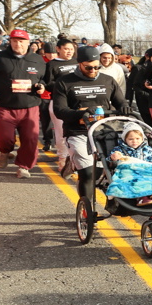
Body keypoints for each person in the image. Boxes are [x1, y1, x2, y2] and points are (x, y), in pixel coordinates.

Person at [52, 46, 128, 200]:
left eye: (97, 67)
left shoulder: (108, 80)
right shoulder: (64, 82)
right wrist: (83, 112)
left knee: (101, 171)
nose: (93, 70)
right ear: (79, 63)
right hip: (77, 131)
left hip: (103, 131)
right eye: (88, 67)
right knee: (88, 173)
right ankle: (85, 209)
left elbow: (120, 101)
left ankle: (74, 162)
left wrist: (124, 107)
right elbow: (60, 111)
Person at [0, 29, 47, 178]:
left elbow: (44, 79)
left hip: (30, 106)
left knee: (30, 139)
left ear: (28, 43)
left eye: (21, 41)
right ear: (10, 42)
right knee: (4, 138)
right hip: (5, 106)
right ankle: (4, 152)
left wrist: (42, 86)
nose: (18, 44)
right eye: (14, 41)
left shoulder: (38, 60)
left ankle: (24, 167)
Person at [107, 122, 152, 207]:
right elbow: (110, 160)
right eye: (131, 139)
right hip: (129, 170)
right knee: (134, 181)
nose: (134, 141)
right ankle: (142, 197)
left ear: (142, 139)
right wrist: (113, 158)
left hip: (145, 169)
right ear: (125, 139)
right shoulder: (119, 149)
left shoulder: (148, 150)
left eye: (137, 138)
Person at [43, 38, 79, 170]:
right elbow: (48, 84)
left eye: (71, 49)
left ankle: (76, 160)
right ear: (58, 49)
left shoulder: (77, 62)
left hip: (77, 102)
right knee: (61, 132)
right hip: (59, 103)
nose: (69, 52)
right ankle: (63, 158)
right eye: (66, 49)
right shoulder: (51, 65)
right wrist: (64, 87)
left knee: (78, 134)